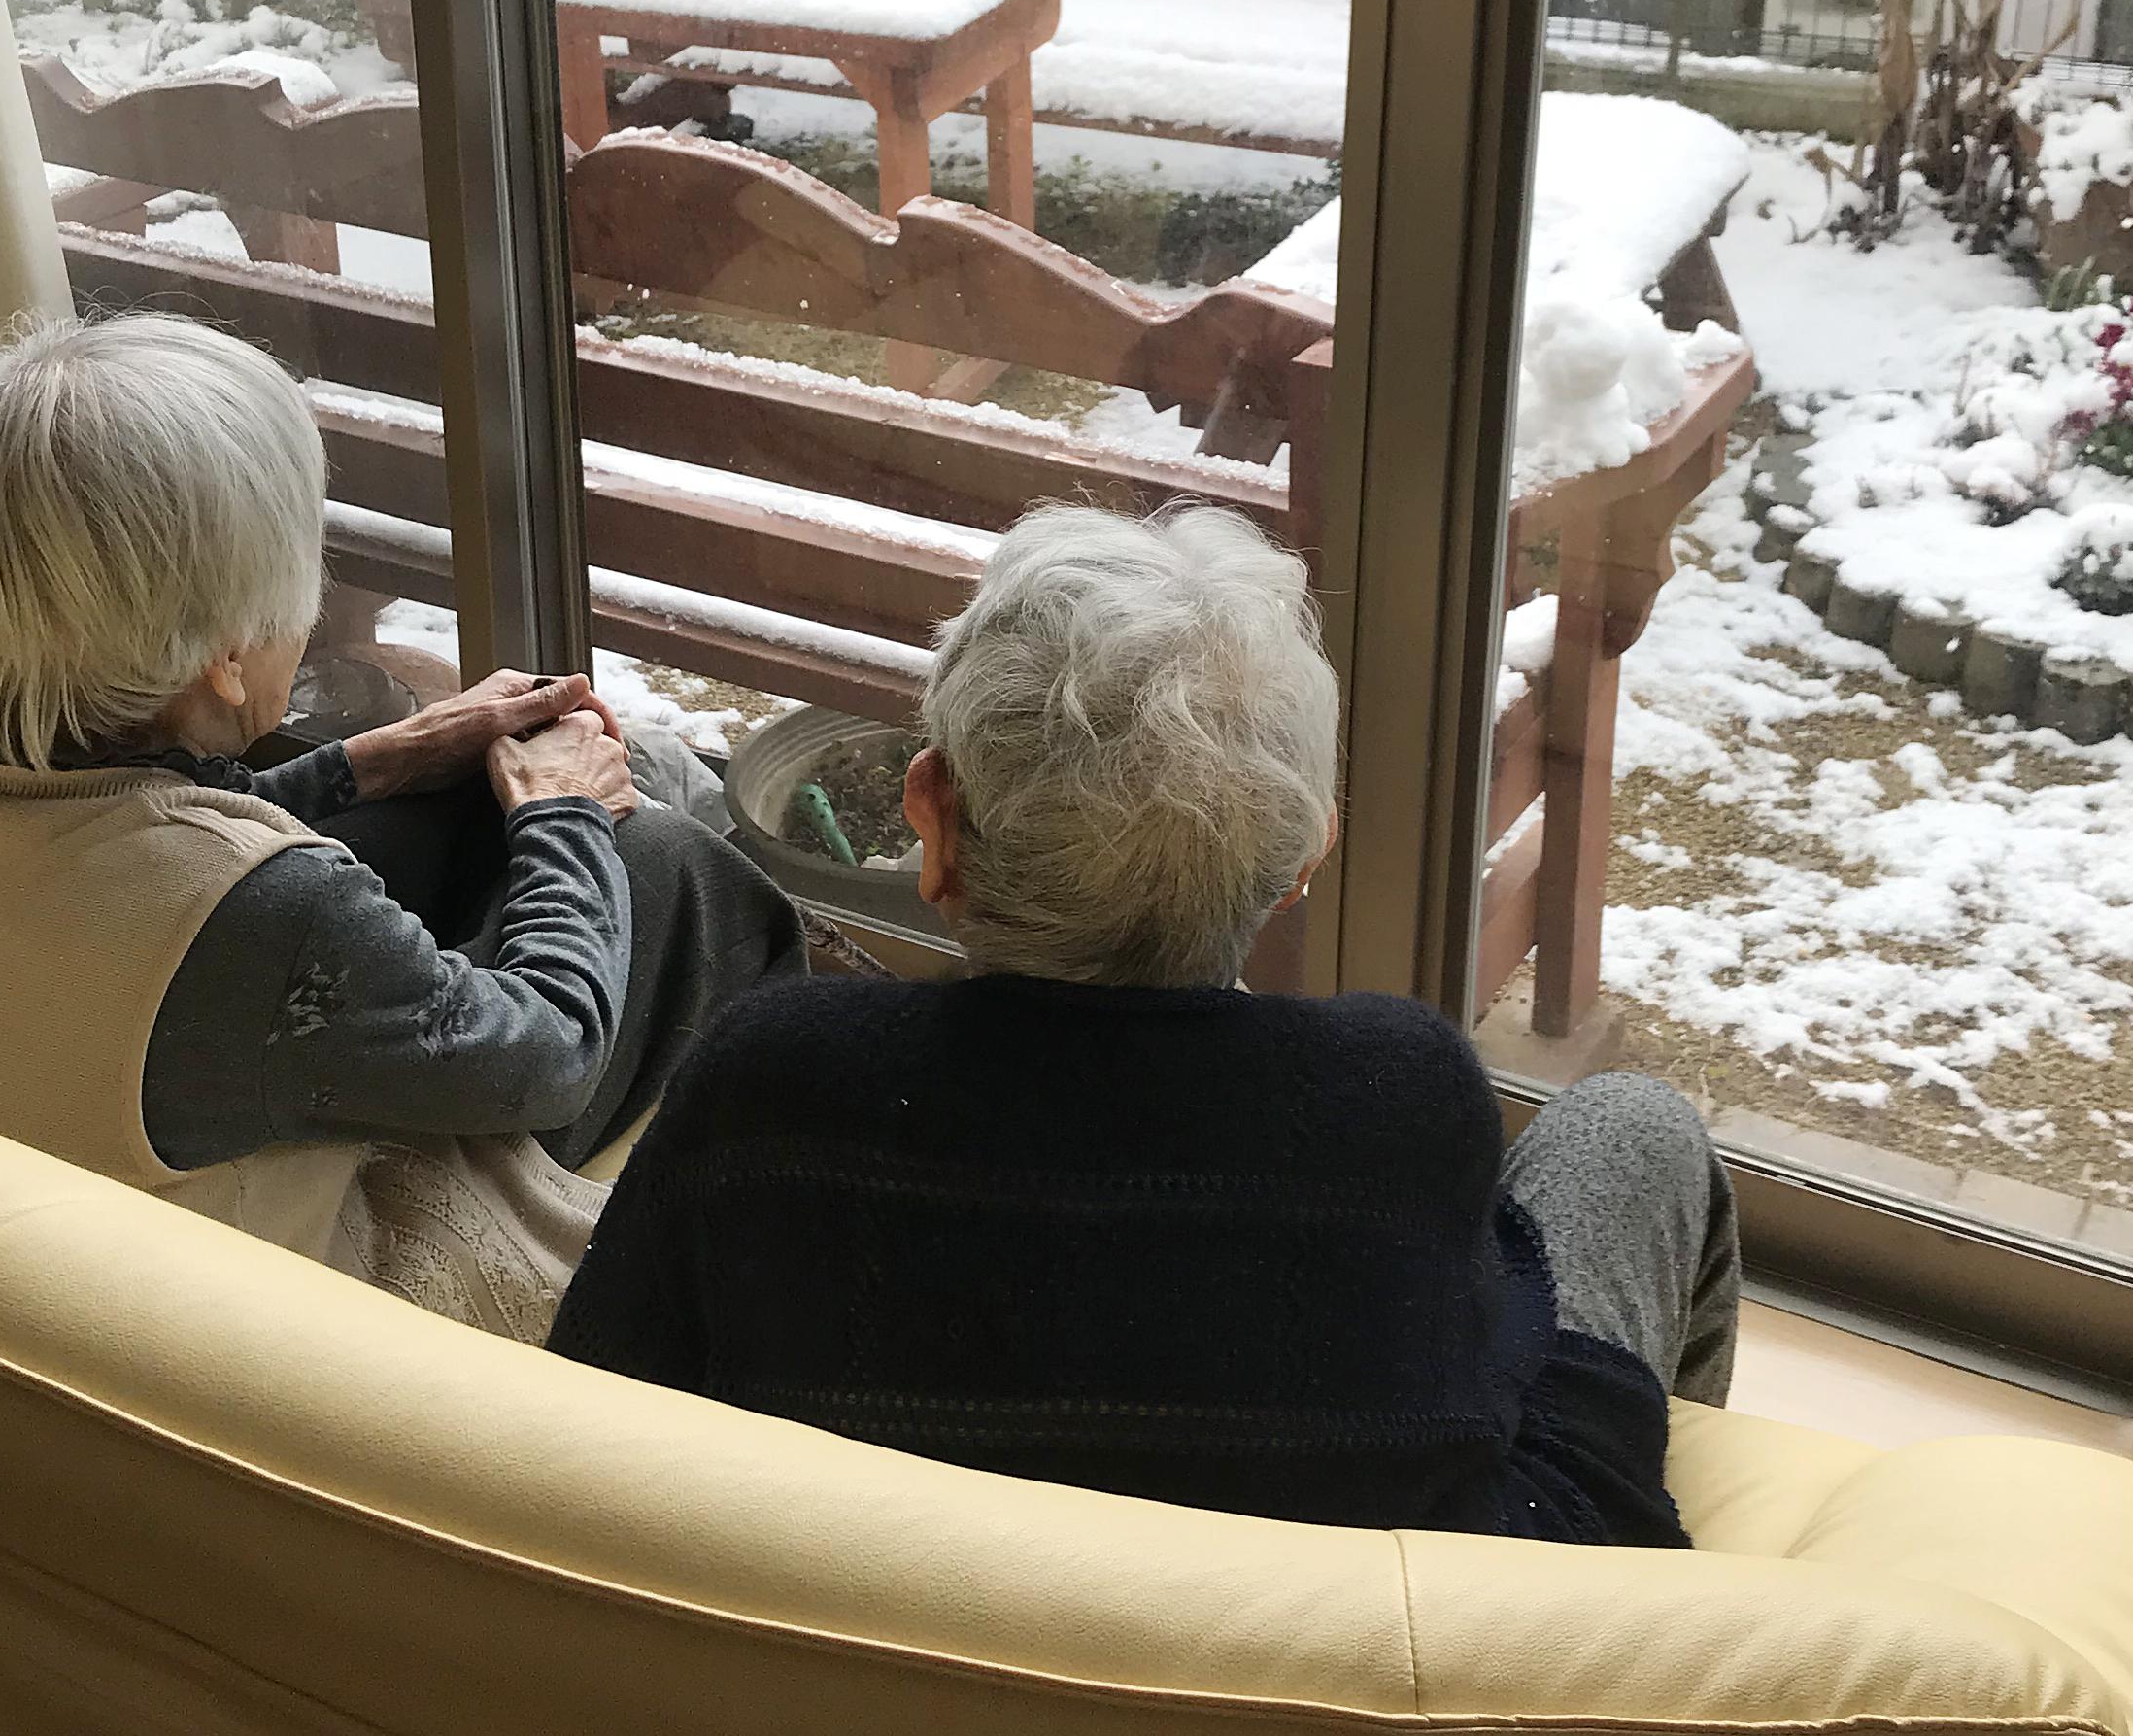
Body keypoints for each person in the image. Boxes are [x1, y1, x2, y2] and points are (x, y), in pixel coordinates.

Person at [551, 504, 1739, 1547]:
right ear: (1300, 861)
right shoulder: (1394, 1095)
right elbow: (1490, 1356)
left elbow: (600, 1406)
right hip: (1460, 1632)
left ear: (934, 823)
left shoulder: (775, 1076)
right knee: (1634, 1129)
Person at [0, 314, 805, 1327]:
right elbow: (547, 1054)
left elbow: (88, 868)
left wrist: (379, 760)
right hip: (240, 1319)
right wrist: (566, 814)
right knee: (663, 856)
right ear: (224, 651)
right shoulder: (261, 912)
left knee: (484, 807)